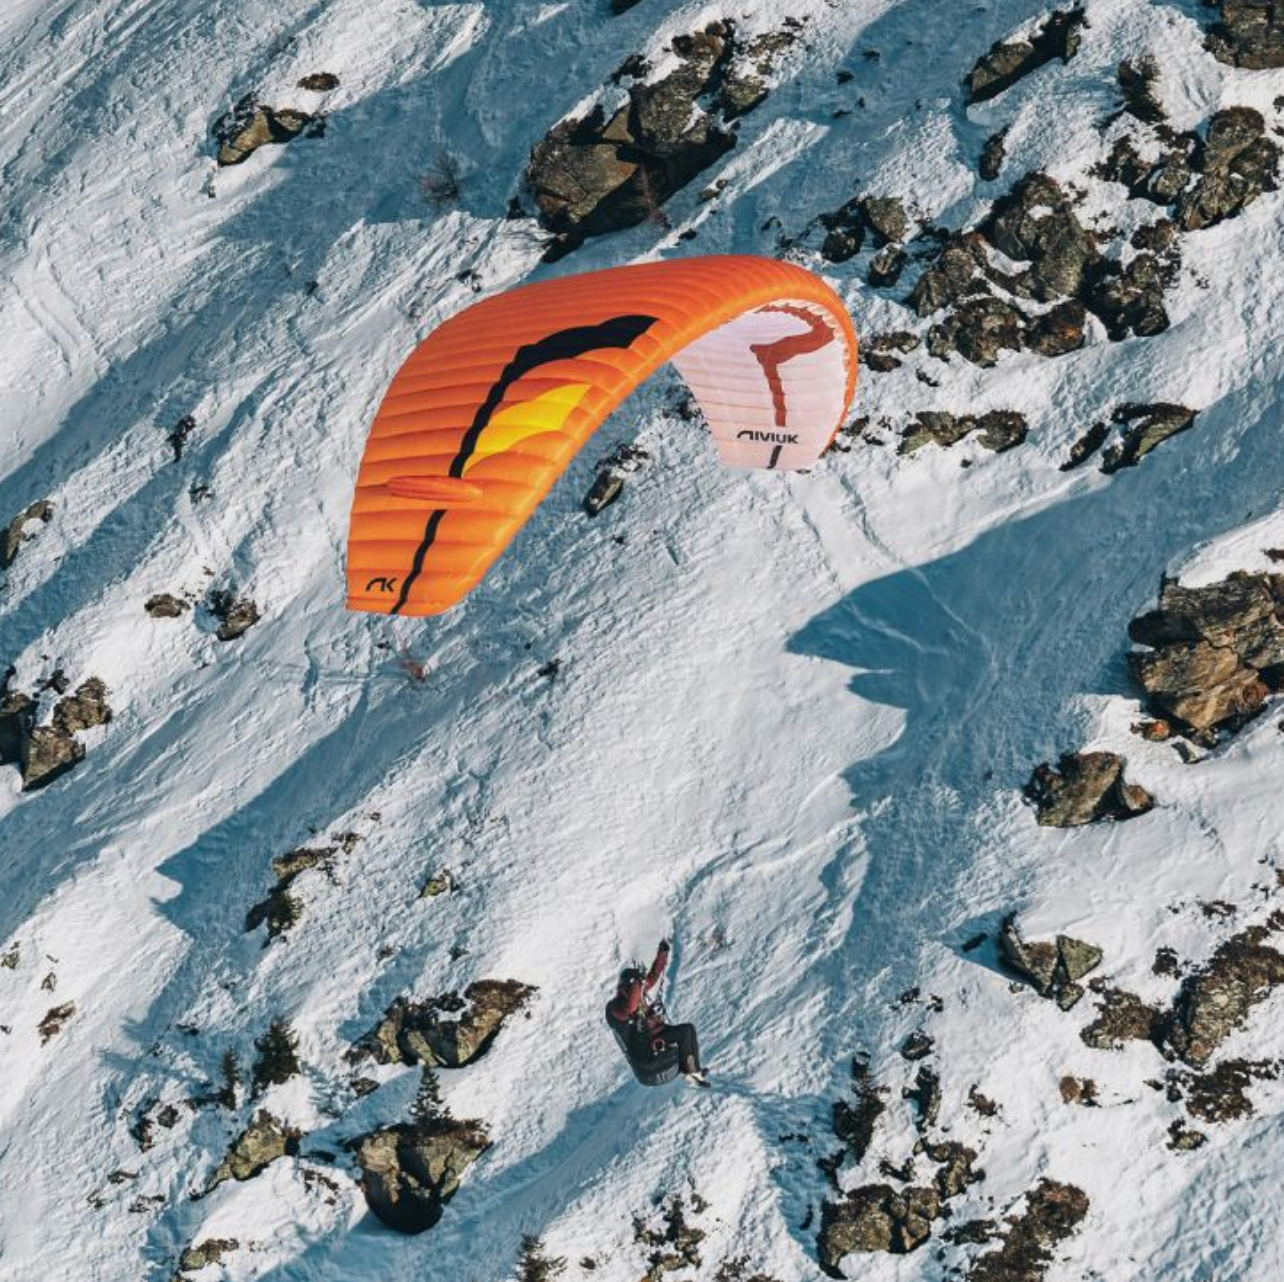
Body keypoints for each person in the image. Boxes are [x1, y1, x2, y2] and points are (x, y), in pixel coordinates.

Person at [605, 938, 708, 1087]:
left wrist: (662, 955)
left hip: (651, 1039)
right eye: (636, 986)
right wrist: (637, 984)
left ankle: (693, 1073)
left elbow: (652, 977)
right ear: (627, 988)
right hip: (644, 1055)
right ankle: (691, 1073)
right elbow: (631, 1007)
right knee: (684, 1033)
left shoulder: (636, 994)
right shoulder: (615, 1008)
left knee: (687, 1030)